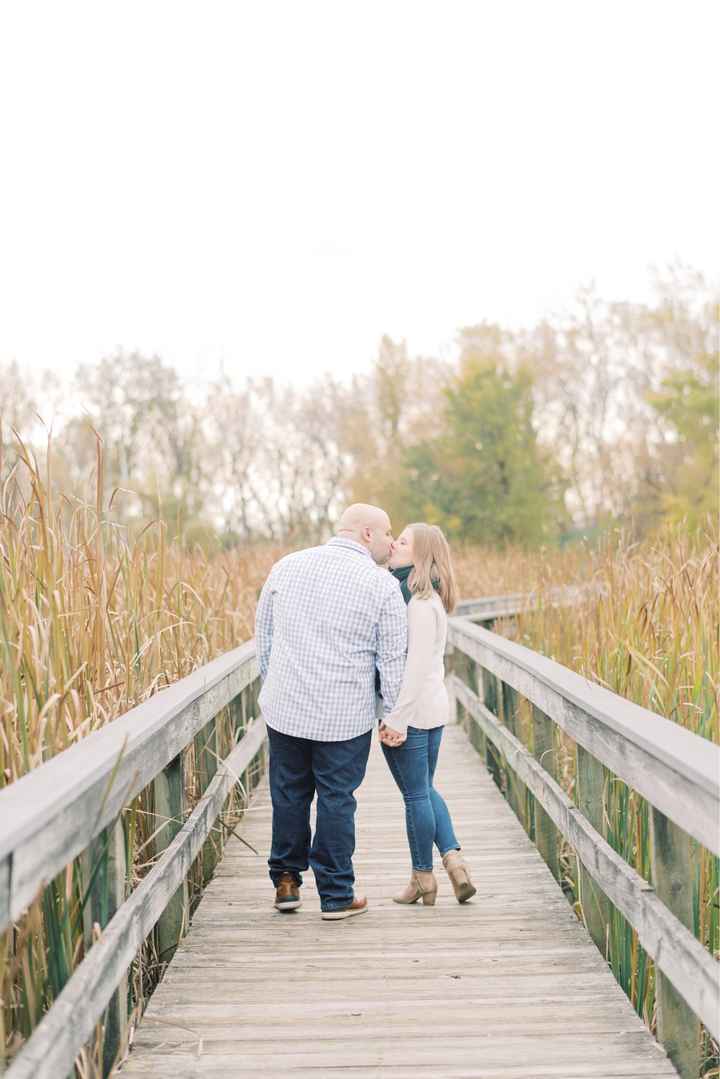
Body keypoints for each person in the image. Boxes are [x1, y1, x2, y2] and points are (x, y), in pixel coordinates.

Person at [255, 504, 408, 920]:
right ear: (365, 534)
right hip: (344, 714)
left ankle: (286, 881)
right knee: (337, 799)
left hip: (286, 708)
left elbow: (264, 638)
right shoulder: (382, 586)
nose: (392, 541)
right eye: (387, 532)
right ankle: (336, 895)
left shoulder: (286, 567)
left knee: (289, 793)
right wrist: (393, 714)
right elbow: (392, 660)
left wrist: (274, 687)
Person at [379, 523, 476, 905]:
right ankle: (454, 862)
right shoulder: (424, 598)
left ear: (419, 556)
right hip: (431, 709)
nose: (394, 545)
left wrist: (396, 718)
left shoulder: (418, 606)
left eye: (402, 542)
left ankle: (424, 876)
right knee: (424, 789)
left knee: (416, 794)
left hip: (414, 713)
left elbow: (416, 667)